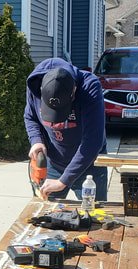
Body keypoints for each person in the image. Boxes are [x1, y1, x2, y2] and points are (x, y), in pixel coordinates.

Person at [24, 58, 108, 201]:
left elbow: (93, 141)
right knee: (44, 214)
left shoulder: (89, 87)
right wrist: (36, 141)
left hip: (89, 166)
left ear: (74, 90)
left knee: (94, 217)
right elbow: (30, 117)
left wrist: (64, 181)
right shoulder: (35, 84)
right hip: (54, 163)